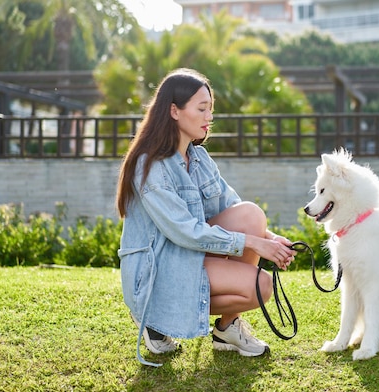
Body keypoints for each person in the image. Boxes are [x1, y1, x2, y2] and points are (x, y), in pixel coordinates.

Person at [116, 68, 297, 367]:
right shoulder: (151, 167)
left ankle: (226, 330)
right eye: (202, 109)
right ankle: (156, 319)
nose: (209, 117)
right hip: (160, 271)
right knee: (262, 285)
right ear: (174, 111)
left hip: (188, 257)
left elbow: (233, 207)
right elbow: (186, 232)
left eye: (210, 109)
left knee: (251, 215)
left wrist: (271, 240)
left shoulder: (199, 159)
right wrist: (254, 244)